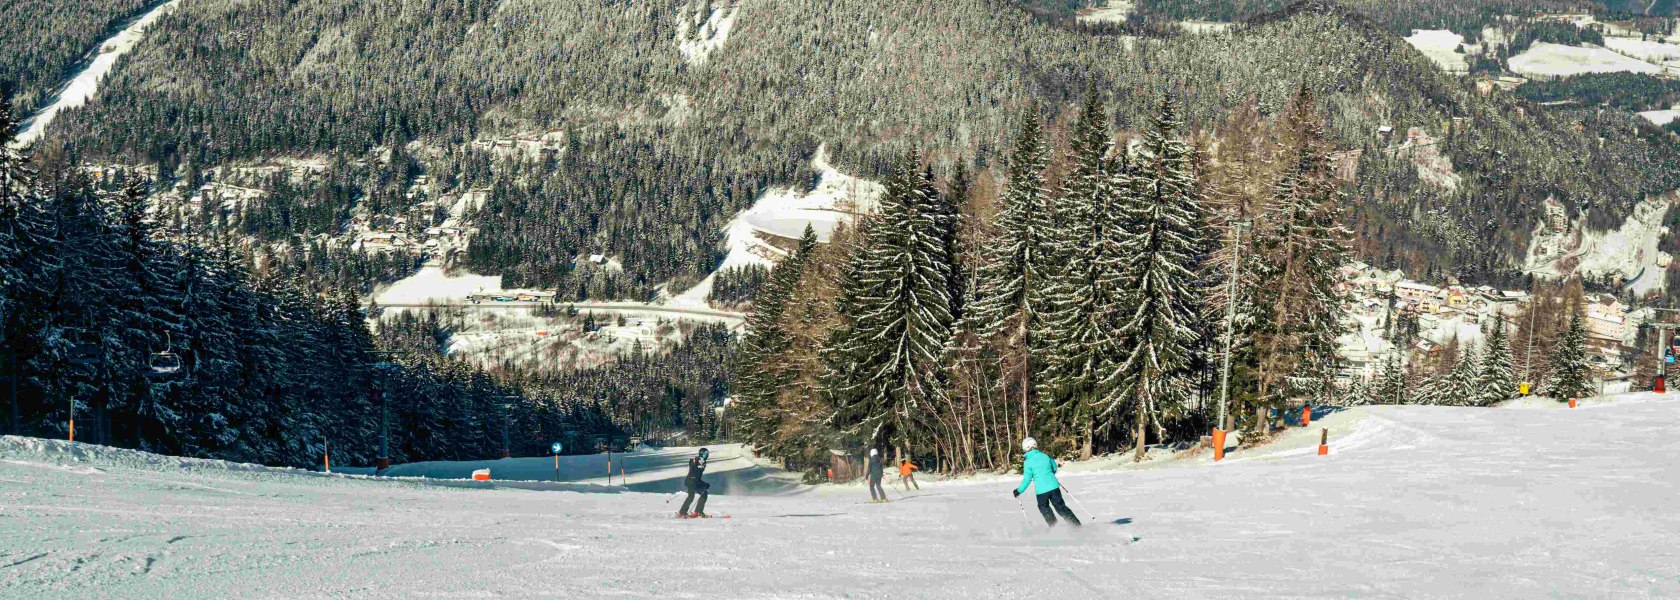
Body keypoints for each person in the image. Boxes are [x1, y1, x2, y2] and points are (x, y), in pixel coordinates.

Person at [1013, 437, 1080, 527]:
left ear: (1025, 448)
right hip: (1054, 487)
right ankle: (1077, 526)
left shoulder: (1028, 462)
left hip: (1041, 491)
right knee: (1061, 508)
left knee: (1044, 508)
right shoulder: (1045, 455)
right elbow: (1054, 468)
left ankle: (1055, 528)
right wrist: (1049, 474)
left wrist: (1018, 490)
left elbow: (1027, 480)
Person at [678, 447, 711, 518]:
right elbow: (694, 471)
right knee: (691, 496)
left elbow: (697, 475)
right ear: (701, 454)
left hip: (694, 482)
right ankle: (682, 512)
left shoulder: (702, 462)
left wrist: (703, 484)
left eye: (707, 454)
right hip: (691, 482)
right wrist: (692, 464)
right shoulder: (700, 462)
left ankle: (698, 511)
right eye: (705, 454)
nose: (706, 455)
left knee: (703, 494)